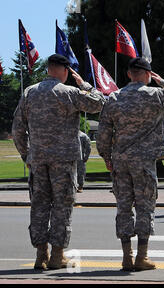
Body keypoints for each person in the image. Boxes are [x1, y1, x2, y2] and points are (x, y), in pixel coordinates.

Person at [12, 54, 106, 270]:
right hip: (63, 161)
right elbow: (100, 103)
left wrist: (26, 155)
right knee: (62, 207)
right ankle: (57, 255)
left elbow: (17, 129)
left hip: (38, 159)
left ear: (48, 69)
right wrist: (84, 84)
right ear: (65, 71)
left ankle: (40, 254)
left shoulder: (29, 92)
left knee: (39, 206)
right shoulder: (69, 92)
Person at [96, 57, 164, 271]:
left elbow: (103, 133)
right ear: (148, 74)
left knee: (123, 208)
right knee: (145, 207)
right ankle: (142, 256)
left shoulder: (114, 97)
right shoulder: (157, 95)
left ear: (129, 74)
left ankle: (126, 257)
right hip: (145, 162)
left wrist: (106, 156)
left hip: (121, 161)